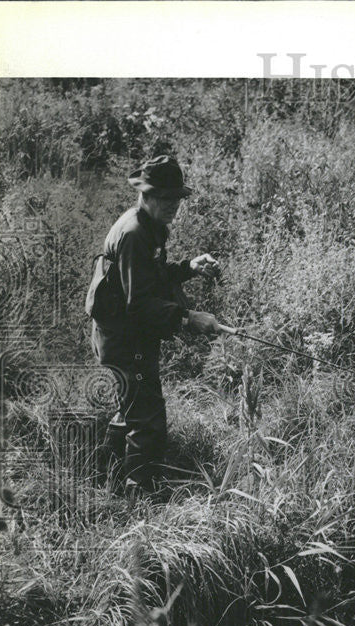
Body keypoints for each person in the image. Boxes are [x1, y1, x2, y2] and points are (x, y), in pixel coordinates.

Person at [90, 155, 223, 496]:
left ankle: (104, 470)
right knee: (147, 418)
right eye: (164, 198)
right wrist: (188, 318)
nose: (172, 206)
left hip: (126, 334)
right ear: (145, 195)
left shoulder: (151, 227)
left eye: (177, 198)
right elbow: (140, 304)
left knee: (131, 406)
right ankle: (141, 493)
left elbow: (153, 279)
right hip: (123, 338)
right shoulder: (134, 234)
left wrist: (189, 268)